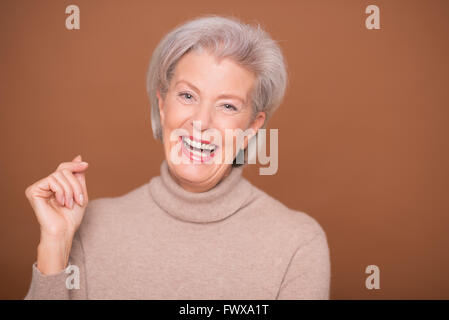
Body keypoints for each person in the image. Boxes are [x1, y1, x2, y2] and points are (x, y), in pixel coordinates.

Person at [24, 15, 330, 299]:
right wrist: (55, 244)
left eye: (227, 106)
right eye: (187, 96)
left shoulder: (297, 243)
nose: (201, 122)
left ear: (252, 127)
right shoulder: (89, 225)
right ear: (162, 104)